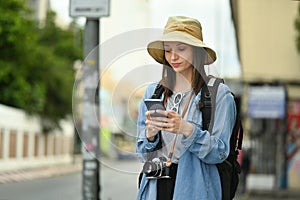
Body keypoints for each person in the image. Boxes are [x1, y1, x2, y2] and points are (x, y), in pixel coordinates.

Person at [136, 16, 236, 200]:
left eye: (181, 49)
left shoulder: (219, 95)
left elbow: (220, 152)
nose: (173, 57)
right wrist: (150, 134)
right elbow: (143, 155)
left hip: (196, 189)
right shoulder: (153, 92)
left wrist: (187, 129)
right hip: (155, 187)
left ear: (197, 51)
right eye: (168, 50)